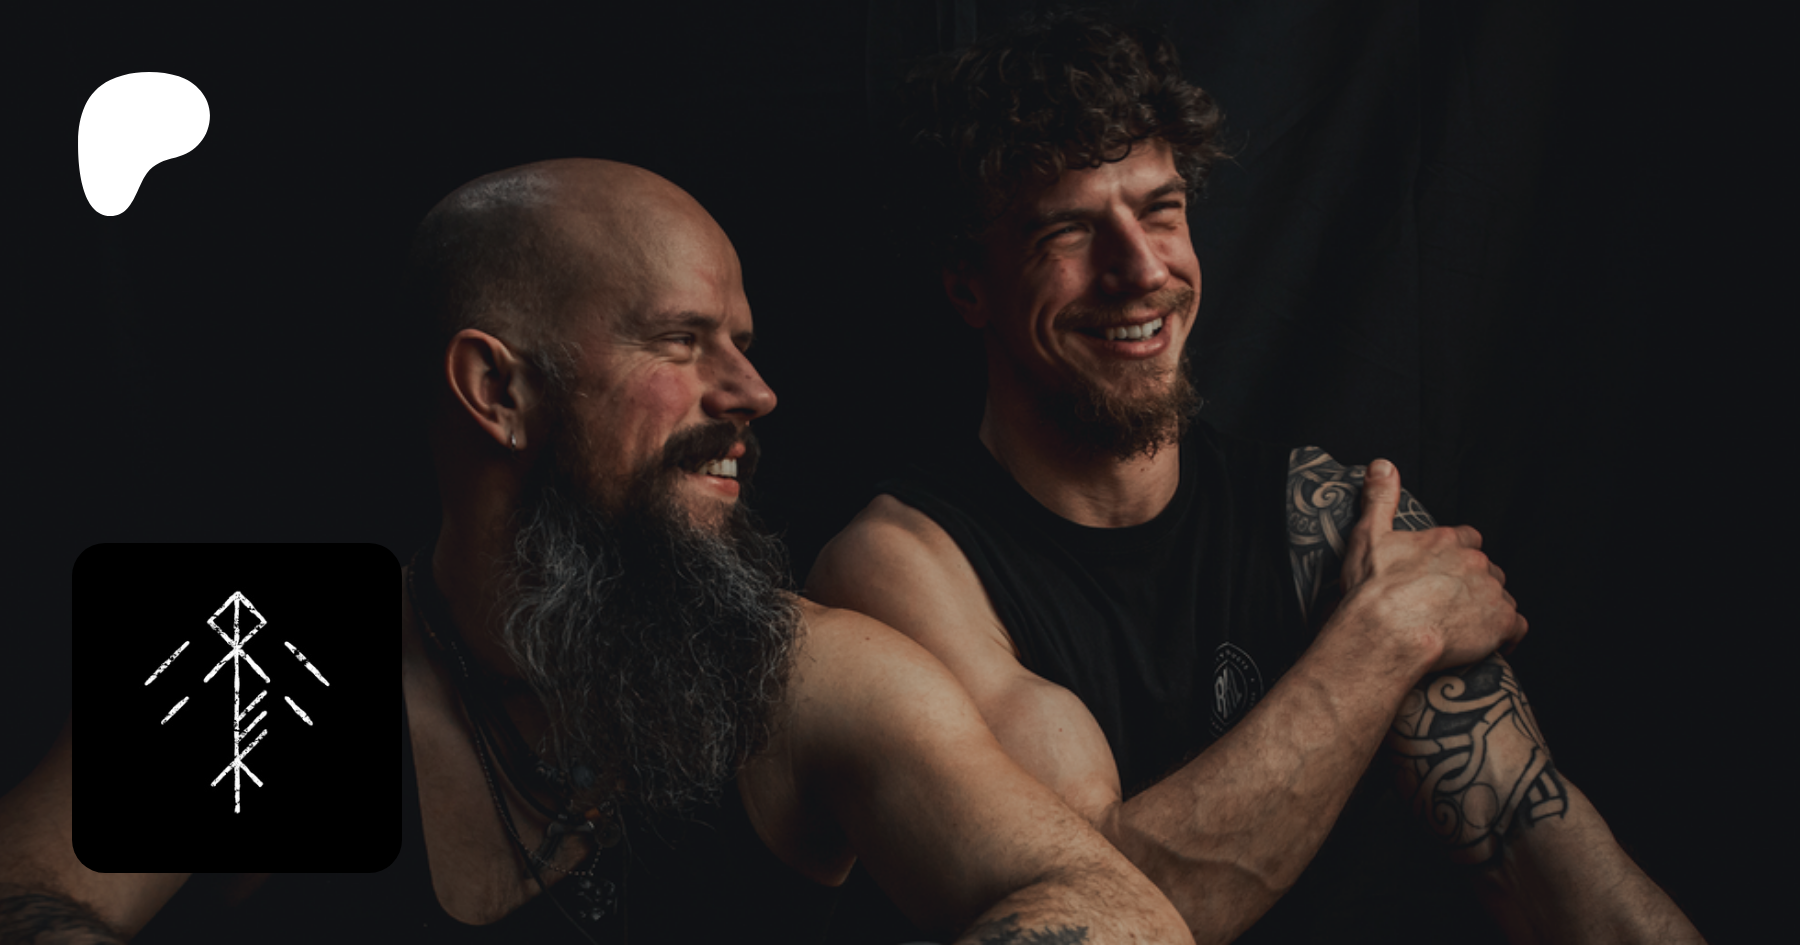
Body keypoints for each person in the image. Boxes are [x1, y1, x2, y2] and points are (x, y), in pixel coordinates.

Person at [0, 159, 1193, 945]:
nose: (754, 393)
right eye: (683, 341)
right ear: (497, 389)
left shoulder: (803, 678)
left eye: (744, 343)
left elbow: (1105, 903)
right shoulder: (269, 661)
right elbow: (26, 894)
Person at [807, 14, 1703, 945]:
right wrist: (1382, 640)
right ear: (967, 284)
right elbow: (1092, 910)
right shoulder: (903, 570)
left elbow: (1538, 856)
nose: (1141, 269)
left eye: (1161, 210)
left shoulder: (1333, 523)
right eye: (1068, 231)